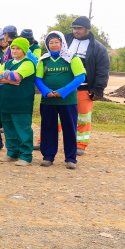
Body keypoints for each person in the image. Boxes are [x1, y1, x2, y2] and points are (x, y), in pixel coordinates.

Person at [36, 31, 86, 169]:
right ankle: (48, 156)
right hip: (48, 101)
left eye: (56, 42)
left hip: (67, 101)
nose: (53, 45)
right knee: (48, 128)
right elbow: (38, 79)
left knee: (69, 128)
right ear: (47, 44)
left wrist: (62, 92)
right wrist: (46, 92)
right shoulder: (43, 60)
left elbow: (80, 77)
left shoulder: (72, 58)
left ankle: (70, 158)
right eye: (50, 42)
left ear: (62, 42)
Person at [65, 16, 110, 155]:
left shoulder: (98, 48)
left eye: (79, 28)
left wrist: (98, 89)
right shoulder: (64, 42)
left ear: (87, 29)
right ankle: (46, 140)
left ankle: (81, 144)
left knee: (83, 118)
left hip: (84, 89)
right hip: (63, 88)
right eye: (74, 28)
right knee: (57, 117)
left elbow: (102, 70)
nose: (76, 31)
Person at [0, 37, 36, 166]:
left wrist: (4, 74)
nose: (14, 50)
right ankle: (12, 152)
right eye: (13, 48)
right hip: (6, 102)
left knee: (23, 129)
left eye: (18, 48)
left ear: (24, 50)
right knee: (8, 128)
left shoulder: (28, 63)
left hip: (21, 103)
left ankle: (26, 156)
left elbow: (16, 76)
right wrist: (7, 79)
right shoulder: (9, 62)